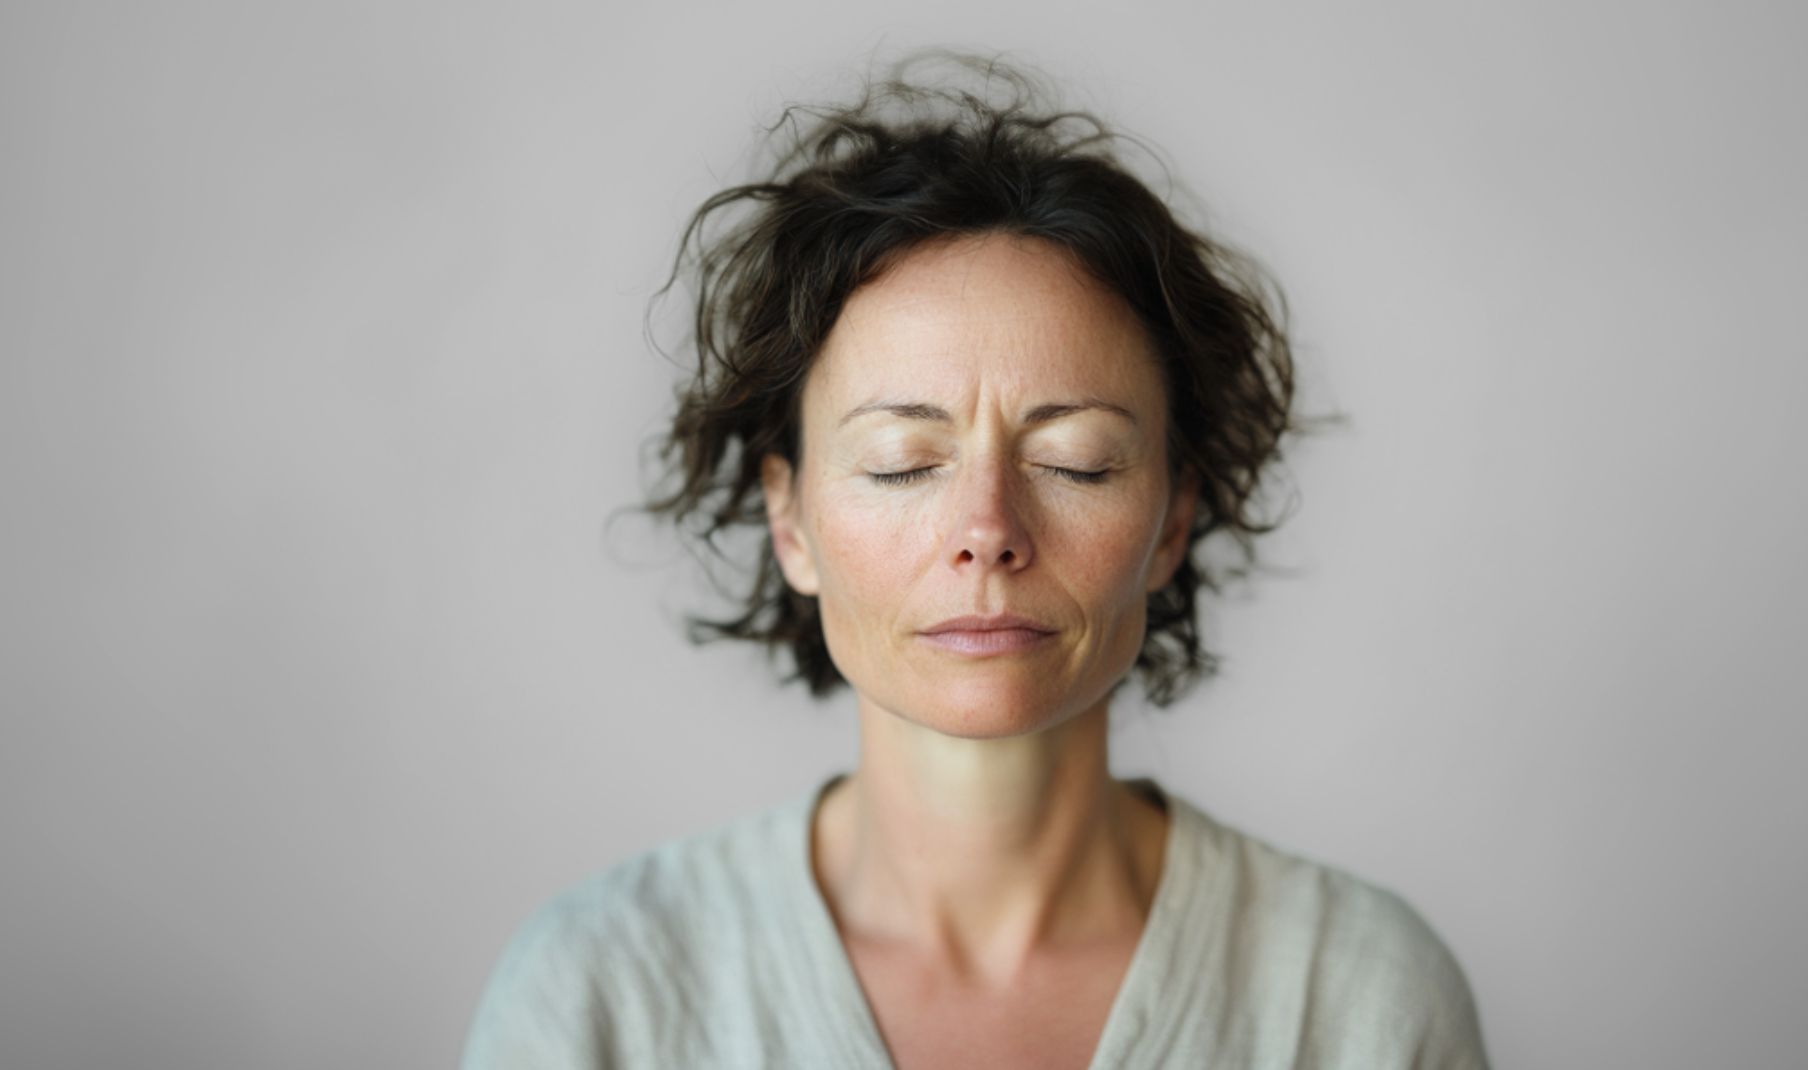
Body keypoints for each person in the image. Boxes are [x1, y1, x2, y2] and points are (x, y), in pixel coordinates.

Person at [460, 50, 1490, 1070]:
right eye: (904, 463)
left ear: (1172, 518)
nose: (988, 526)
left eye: (1074, 461)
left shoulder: (1359, 997)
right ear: (792, 524)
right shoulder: (599, 991)